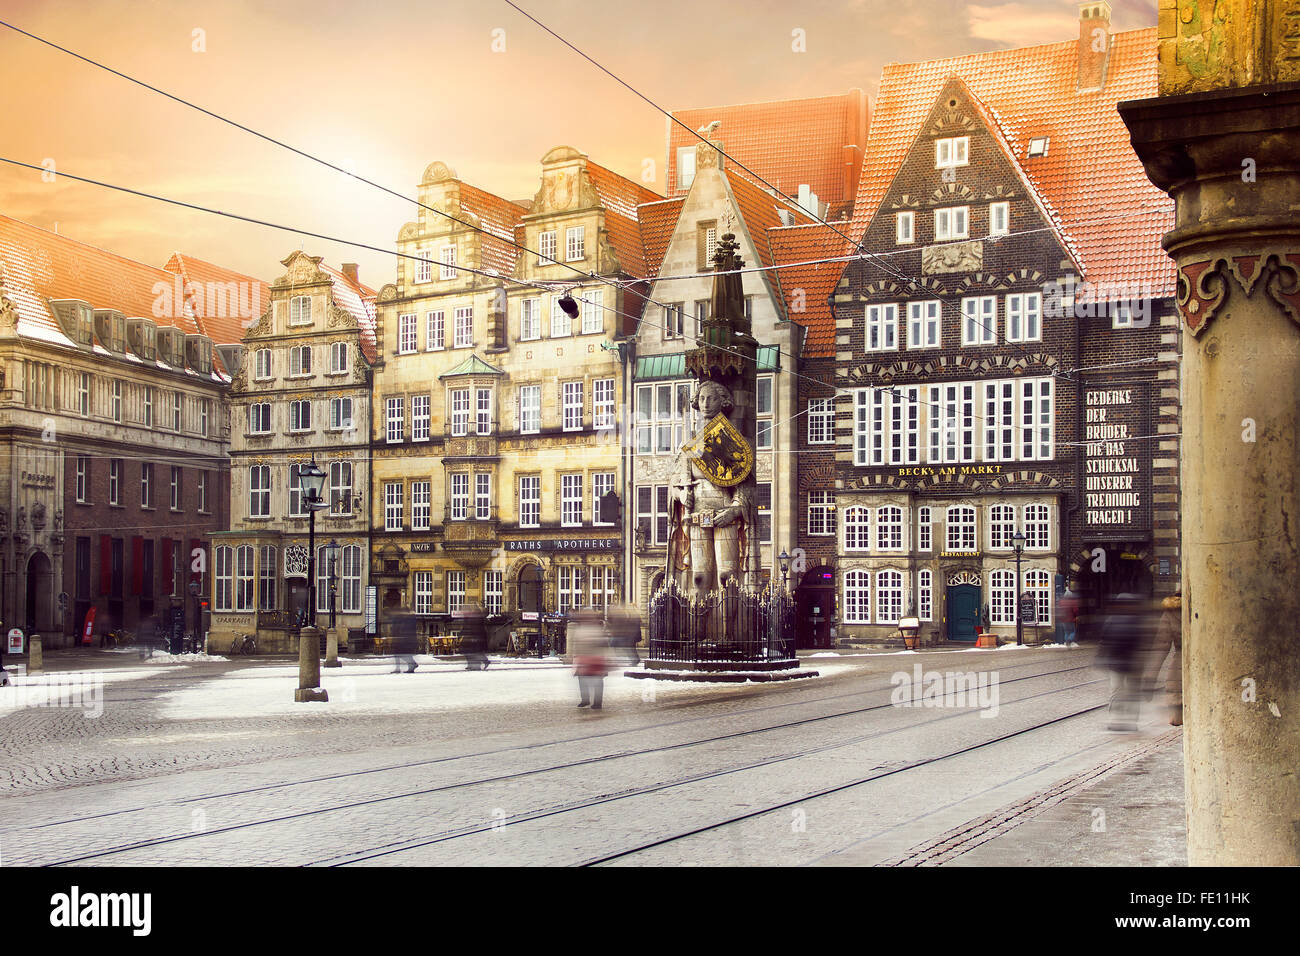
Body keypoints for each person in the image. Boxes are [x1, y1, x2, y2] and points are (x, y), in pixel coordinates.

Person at [570, 608, 609, 709]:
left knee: (597, 681)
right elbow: (576, 642)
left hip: (596, 658)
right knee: (582, 679)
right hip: (583, 657)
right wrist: (575, 655)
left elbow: (605, 644)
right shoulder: (580, 628)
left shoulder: (599, 627)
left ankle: (597, 702)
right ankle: (585, 699)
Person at [457, 603, 489, 671]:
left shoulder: (475, 616)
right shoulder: (471, 616)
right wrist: (461, 634)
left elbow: (473, 627)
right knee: (470, 651)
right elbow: (466, 626)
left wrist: (473, 637)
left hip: (475, 637)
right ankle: (473, 664)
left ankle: (478, 664)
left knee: (473, 651)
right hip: (472, 636)